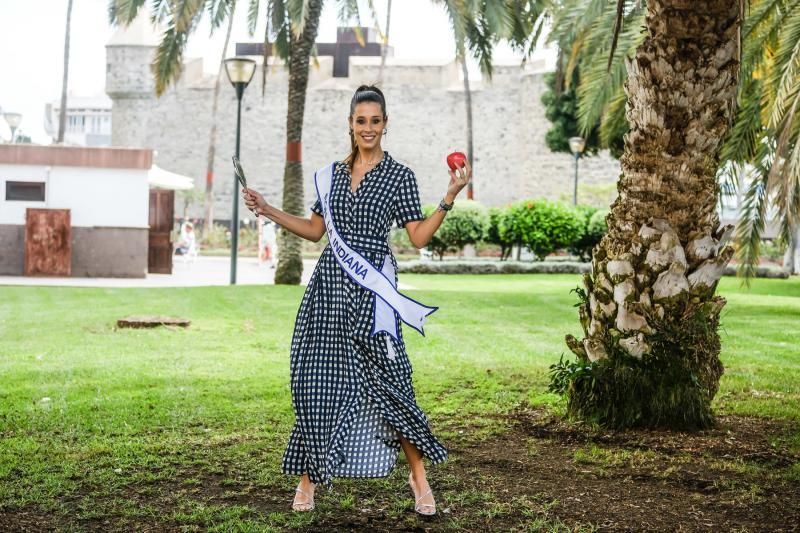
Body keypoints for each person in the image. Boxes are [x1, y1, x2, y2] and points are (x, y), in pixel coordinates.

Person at [242, 85, 472, 515]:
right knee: (318, 382)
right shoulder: (330, 175)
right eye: (360, 120)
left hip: (374, 294)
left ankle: (418, 477)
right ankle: (309, 478)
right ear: (350, 123)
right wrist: (269, 208)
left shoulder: (399, 176)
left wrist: (448, 197)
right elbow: (315, 231)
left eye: (376, 121)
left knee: (392, 380)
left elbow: (418, 237)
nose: (368, 128)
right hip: (329, 289)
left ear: (386, 125)